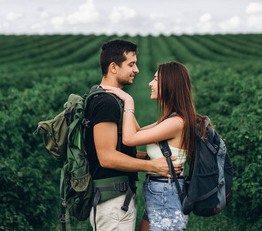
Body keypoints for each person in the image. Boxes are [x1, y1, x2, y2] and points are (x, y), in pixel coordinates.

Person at [85, 40, 182, 231]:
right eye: (131, 64)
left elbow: (121, 146)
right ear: (113, 67)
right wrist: (152, 165)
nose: (137, 70)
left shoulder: (112, 100)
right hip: (112, 202)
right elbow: (107, 157)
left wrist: (147, 156)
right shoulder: (107, 103)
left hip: (115, 199)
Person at [103, 61, 202, 231]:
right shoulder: (169, 119)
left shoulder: (177, 123)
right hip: (159, 191)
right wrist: (121, 103)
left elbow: (130, 138)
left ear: (169, 85)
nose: (150, 83)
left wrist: (128, 101)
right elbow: (139, 132)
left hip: (166, 193)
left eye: (155, 79)